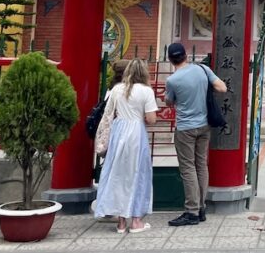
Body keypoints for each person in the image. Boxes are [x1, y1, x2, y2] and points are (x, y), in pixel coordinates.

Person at [163, 42, 227, 226]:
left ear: (170, 59)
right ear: (185, 55)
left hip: (185, 128)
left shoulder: (172, 80)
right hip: (204, 125)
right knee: (201, 165)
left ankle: (191, 211)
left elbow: (169, 102)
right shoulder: (203, 70)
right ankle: (201, 207)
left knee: (188, 168)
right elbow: (222, 88)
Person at [93, 58, 158, 233]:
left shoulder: (116, 89)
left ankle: (121, 222)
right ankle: (136, 221)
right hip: (137, 133)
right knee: (138, 174)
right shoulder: (146, 91)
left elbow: (108, 113)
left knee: (118, 174)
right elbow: (151, 119)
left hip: (118, 131)